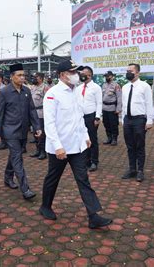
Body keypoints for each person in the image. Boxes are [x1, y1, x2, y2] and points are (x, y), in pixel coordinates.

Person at [40, 59, 112, 229]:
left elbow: (79, 118)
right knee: (53, 177)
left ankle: (93, 216)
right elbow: (49, 124)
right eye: (72, 72)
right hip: (60, 148)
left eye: (76, 72)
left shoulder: (76, 92)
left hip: (77, 146)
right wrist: (57, 146)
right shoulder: (52, 93)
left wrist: (86, 136)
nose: (76, 75)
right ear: (62, 75)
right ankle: (45, 206)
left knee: (83, 179)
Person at [0, 63, 41, 200]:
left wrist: (37, 127)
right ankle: (25, 189)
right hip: (10, 130)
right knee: (17, 157)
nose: (22, 77)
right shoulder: (4, 92)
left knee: (14, 155)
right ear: (12, 76)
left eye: (23, 75)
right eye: (19, 75)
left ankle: (7, 177)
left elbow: (32, 110)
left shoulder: (26, 91)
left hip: (23, 130)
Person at [121, 63, 154, 182]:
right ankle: (132, 169)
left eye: (131, 71)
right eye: (127, 70)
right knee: (130, 146)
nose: (128, 72)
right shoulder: (125, 87)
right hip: (127, 120)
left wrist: (149, 120)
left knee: (139, 145)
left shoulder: (144, 86)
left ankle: (140, 170)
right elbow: (124, 104)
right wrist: (122, 119)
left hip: (139, 120)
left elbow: (149, 104)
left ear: (138, 72)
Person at [77, 66, 102, 171]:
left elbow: (99, 103)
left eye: (84, 73)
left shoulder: (96, 87)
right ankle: (86, 161)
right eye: (81, 73)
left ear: (90, 75)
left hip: (91, 117)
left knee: (92, 139)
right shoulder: (78, 88)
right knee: (83, 139)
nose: (82, 75)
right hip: (80, 117)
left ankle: (94, 161)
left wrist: (97, 117)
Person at [30, 72, 49, 160]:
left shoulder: (45, 87)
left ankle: (43, 151)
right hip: (33, 113)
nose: (34, 78)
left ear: (41, 78)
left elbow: (48, 101)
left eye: (35, 77)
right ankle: (38, 150)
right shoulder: (32, 87)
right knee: (34, 133)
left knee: (41, 133)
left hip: (41, 113)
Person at [101, 71, 122, 146]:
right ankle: (109, 138)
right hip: (105, 108)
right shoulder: (104, 85)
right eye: (106, 76)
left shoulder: (116, 85)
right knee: (106, 124)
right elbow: (102, 97)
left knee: (113, 125)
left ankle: (114, 139)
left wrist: (118, 109)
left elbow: (119, 97)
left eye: (108, 76)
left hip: (112, 108)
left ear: (112, 76)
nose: (107, 77)